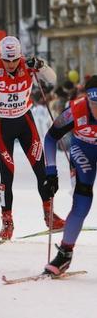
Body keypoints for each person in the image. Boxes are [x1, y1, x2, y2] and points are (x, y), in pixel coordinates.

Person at [0, 36, 65, 241]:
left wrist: (40, 64)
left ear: (20, 55)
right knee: (7, 176)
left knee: (42, 171)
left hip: (25, 122)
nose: (11, 64)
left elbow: (52, 78)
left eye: (14, 60)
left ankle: (50, 216)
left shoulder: (27, 65)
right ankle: (7, 221)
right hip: (2, 125)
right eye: (7, 60)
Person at [43, 76, 97, 275]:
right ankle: (65, 254)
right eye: (93, 104)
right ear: (86, 100)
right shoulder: (75, 111)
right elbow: (50, 138)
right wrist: (51, 173)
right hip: (84, 150)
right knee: (82, 200)